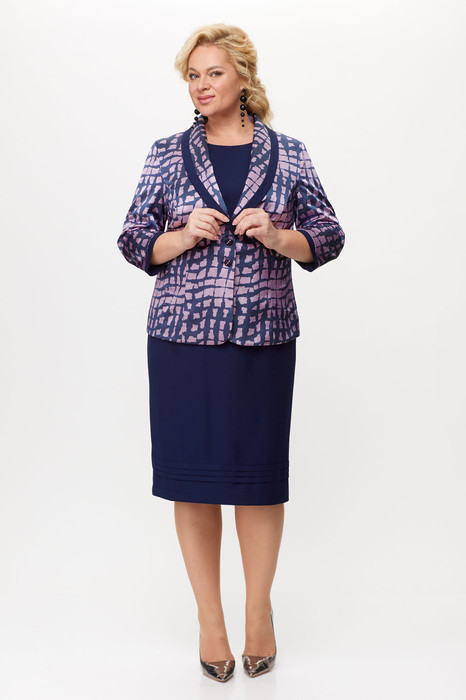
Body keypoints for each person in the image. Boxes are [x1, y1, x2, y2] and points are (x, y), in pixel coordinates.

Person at [117, 23, 345, 682]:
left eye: (213, 72)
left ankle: (257, 613)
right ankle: (210, 621)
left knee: (257, 482)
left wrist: (278, 236)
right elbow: (133, 240)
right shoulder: (166, 154)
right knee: (193, 483)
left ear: (243, 76)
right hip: (182, 340)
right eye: (193, 75)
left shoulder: (289, 154)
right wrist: (180, 235)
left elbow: (328, 236)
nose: (201, 85)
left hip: (263, 338)